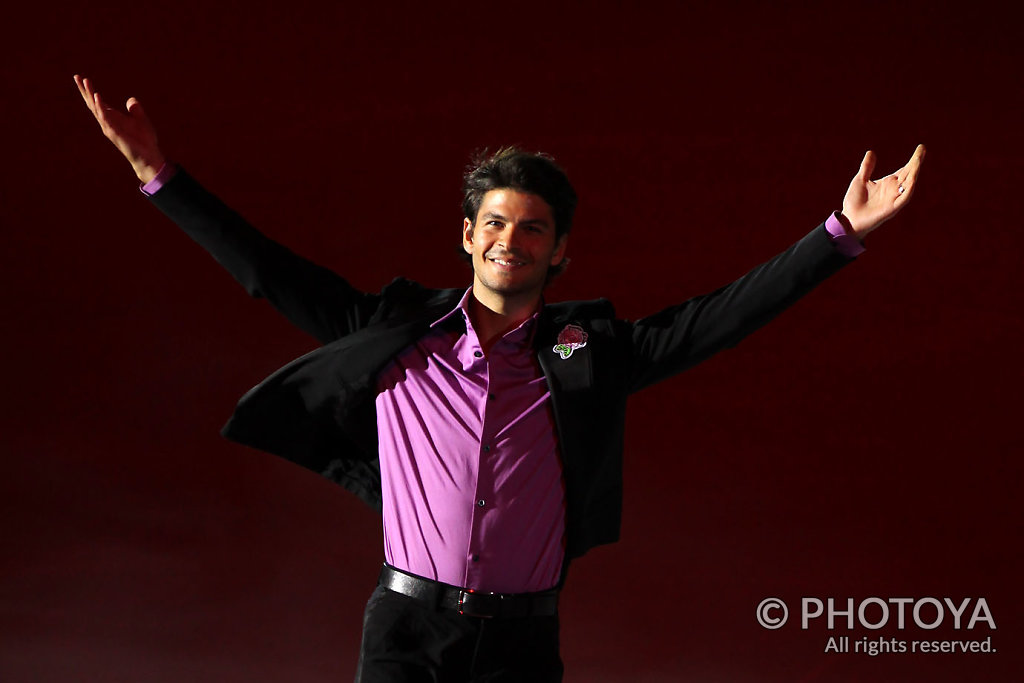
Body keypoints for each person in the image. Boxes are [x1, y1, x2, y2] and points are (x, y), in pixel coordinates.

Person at [74, 74, 925, 682]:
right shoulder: (399, 334)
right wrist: (160, 175)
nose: (508, 240)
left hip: (523, 641)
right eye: (493, 222)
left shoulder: (587, 354)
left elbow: (720, 318)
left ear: (560, 250)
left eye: (532, 227)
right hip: (406, 631)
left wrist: (840, 232)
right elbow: (267, 271)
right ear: (468, 235)